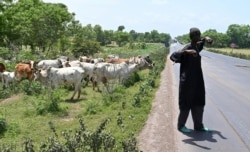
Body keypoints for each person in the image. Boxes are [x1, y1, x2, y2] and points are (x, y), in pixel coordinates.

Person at [170, 27, 213, 133]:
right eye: (197, 35)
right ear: (192, 36)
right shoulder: (187, 47)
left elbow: (201, 44)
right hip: (187, 82)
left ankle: (198, 126)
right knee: (186, 103)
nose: (199, 36)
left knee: (199, 102)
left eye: (199, 34)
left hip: (198, 81)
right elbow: (172, 56)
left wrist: (205, 39)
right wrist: (186, 52)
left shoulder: (196, 47)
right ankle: (181, 126)